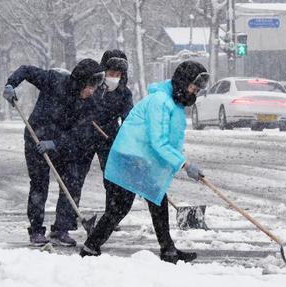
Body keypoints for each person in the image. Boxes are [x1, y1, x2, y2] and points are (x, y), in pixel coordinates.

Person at [80, 61, 210, 264]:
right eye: (194, 86)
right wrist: (184, 165)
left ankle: (168, 250)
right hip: (130, 156)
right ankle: (91, 247)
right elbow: (159, 141)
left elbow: (172, 140)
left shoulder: (173, 103)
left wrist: (181, 159)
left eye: (198, 89)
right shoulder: (160, 101)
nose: (195, 91)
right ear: (183, 81)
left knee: (154, 201)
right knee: (122, 207)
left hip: (140, 157)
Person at [2, 59, 105, 247]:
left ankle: (60, 230)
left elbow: (79, 134)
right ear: (81, 80)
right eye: (90, 85)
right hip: (35, 137)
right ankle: (35, 230)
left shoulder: (90, 103)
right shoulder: (54, 80)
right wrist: (11, 84)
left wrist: (55, 143)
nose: (92, 91)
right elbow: (26, 69)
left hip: (60, 144)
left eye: (95, 86)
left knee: (71, 181)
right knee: (39, 184)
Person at [59, 50, 133, 235]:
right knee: (74, 178)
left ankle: (111, 218)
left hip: (109, 138)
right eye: (110, 73)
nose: (114, 77)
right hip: (84, 134)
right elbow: (77, 106)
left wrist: (126, 137)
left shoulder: (124, 93)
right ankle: (65, 223)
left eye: (118, 74)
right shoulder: (92, 85)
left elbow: (128, 118)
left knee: (113, 179)